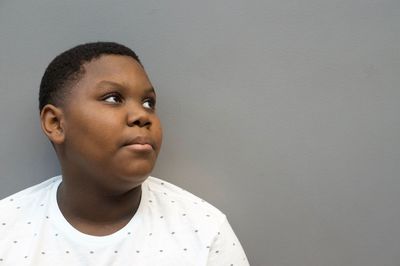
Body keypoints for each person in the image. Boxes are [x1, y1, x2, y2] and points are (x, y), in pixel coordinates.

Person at [0, 42, 249, 265]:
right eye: (113, 98)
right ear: (55, 123)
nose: (142, 115)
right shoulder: (7, 230)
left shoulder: (204, 231)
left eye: (149, 103)